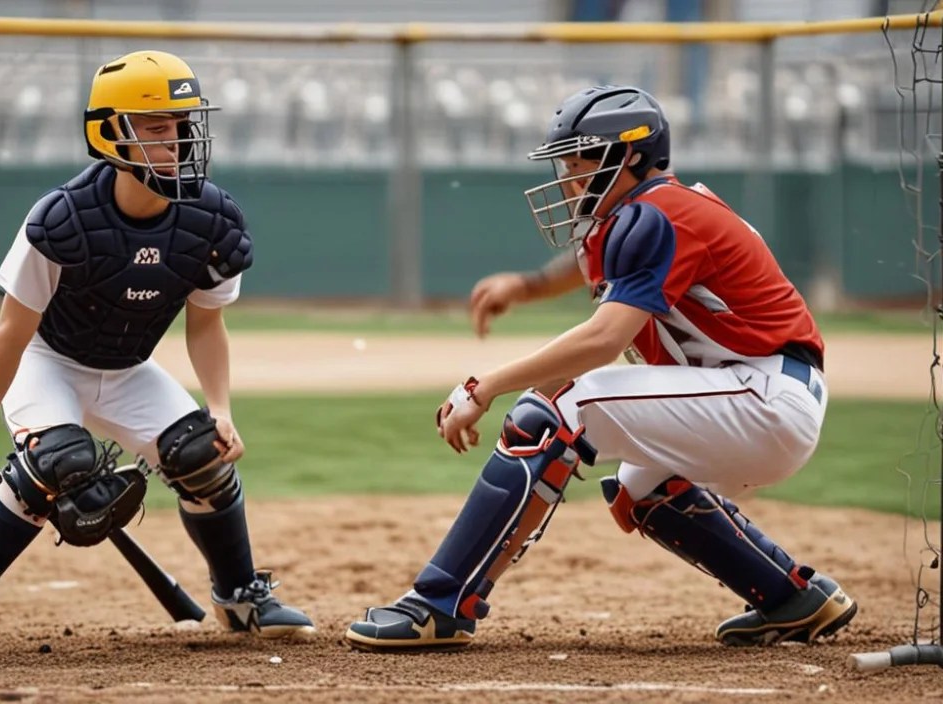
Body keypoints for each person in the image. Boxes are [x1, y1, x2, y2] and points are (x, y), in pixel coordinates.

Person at [345, 85, 856, 651]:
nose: (567, 174)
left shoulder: (659, 217)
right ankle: (791, 598)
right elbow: (600, 261)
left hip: (761, 398)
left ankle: (438, 605)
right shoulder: (646, 212)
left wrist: (484, 386)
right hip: (754, 392)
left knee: (549, 414)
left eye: (581, 158)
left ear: (630, 155)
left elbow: (605, 340)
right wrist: (527, 286)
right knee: (640, 487)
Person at [0, 50, 315, 665]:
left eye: (183, 124)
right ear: (110, 134)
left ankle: (238, 595)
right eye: (157, 127)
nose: (177, 140)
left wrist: (220, 408)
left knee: (201, 454)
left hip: (126, 368)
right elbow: (10, 338)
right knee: (57, 460)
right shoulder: (63, 219)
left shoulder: (211, 220)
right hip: (44, 360)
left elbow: (206, 327)